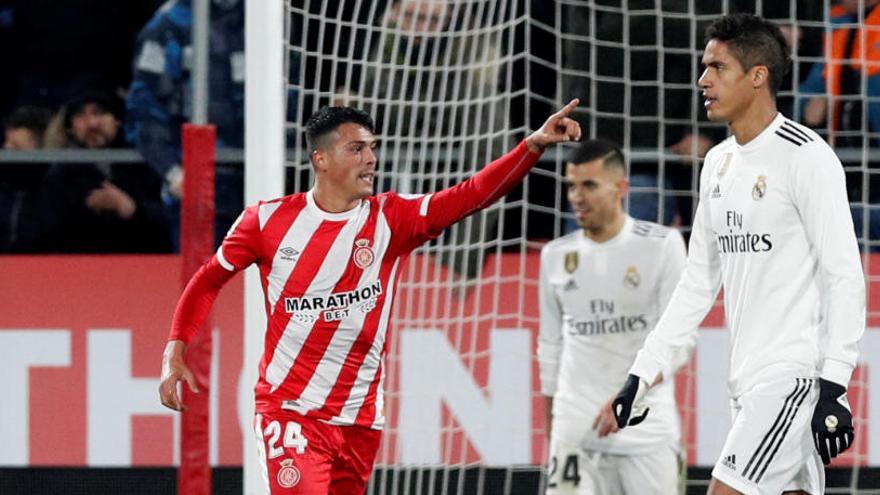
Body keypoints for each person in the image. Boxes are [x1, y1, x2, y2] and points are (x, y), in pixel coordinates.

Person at [159, 102, 581, 493]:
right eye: (356, 148)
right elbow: (208, 279)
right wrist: (175, 350)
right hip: (291, 412)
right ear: (320, 159)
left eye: (372, 148)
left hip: (360, 421)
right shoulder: (265, 221)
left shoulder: (392, 219)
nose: (371, 159)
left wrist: (531, 147)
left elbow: (470, 195)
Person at [611, 14, 865, 495]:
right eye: (704, 66)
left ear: (757, 76)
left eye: (717, 67)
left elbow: (844, 276)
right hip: (744, 384)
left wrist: (835, 384)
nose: (703, 80)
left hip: (792, 381)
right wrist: (643, 370)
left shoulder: (806, 156)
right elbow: (697, 283)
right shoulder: (719, 164)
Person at [538, 139, 687, 494]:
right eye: (571, 185)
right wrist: (554, 433)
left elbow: (680, 342)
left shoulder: (662, 245)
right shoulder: (555, 256)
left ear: (621, 188)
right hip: (576, 433)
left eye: (588, 185)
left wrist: (631, 392)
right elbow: (550, 348)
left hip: (647, 433)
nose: (576, 196)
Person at [126, 0, 245, 250]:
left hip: (263, 183)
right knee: (203, 281)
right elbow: (145, 109)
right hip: (194, 185)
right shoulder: (170, 23)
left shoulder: (268, 20)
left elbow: (290, 101)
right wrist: (172, 172)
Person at [13, 91, 171, 253]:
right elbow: (40, 237)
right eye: (81, 115)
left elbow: (169, 226)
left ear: (117, 120)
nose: (92, 124)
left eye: (100, 112)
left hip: (139, 269)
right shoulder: (58, 174)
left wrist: (131, 209)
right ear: (70, 127)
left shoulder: (144, 165)